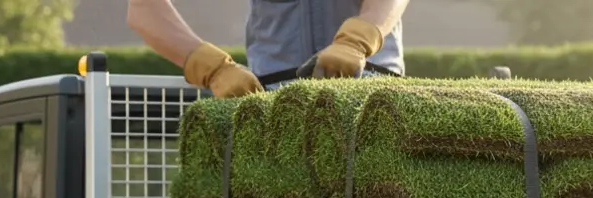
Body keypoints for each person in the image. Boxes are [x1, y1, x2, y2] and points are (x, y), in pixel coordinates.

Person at [127, 0, 408, 98]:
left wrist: (357, 40)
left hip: (374, 99)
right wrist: (212, 68)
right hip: (272, 105)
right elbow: (144, 9)